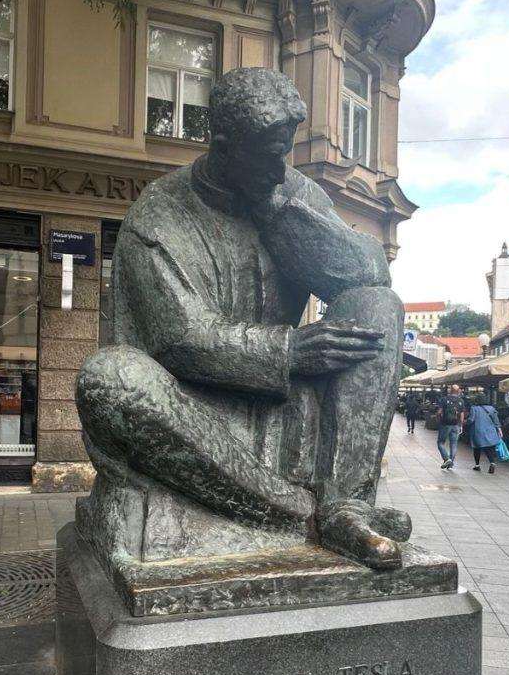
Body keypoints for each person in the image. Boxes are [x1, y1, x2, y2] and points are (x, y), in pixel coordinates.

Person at [75, 68, 412, 571]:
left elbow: (368, 273)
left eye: (285, 151)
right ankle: (297, 513)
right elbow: (179, 340)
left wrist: (283, 216)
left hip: (284, 408)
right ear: (224, 145)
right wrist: (289, 351)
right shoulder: (160, 214)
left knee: (377, 308)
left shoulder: (290, 193)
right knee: (110, 378)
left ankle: (346, 504)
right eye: (267, 154)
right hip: (189, 408)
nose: (280, 169)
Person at [468, 394, 503, 474]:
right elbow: (496, 420)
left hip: (478, 431)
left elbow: (471, 419)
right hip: (491, 431)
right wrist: (499, 430)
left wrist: (466, 422)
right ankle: (492, 463)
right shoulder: (492, 409)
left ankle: (477, 465)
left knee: (477, 448)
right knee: (489, 448)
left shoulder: (474, 408)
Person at [436, 384, 466, 469]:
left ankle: (446, 459)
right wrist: (461, 425)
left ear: (450, 390)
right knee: (454, 444)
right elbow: (462, 414)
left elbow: (439, 412)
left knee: (440, 442)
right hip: (456, 425)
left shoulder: (444, 399)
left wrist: (438, 419)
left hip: (445, 424)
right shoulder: (461, 401)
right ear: (458, 391)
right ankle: (451, 462)